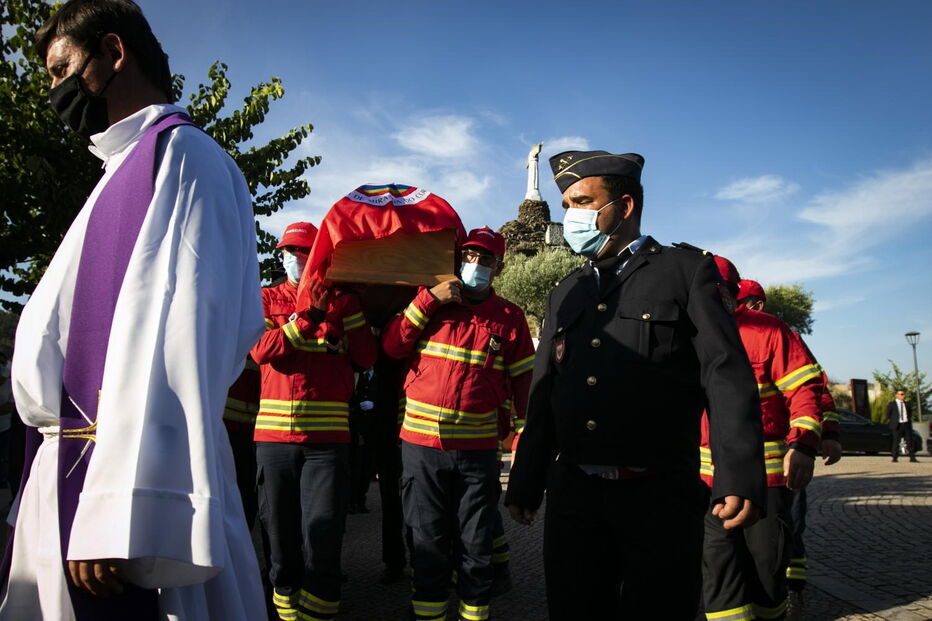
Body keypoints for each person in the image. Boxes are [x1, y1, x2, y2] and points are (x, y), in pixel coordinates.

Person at [2, 1, 267, 618]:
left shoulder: (185, 160)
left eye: (62, 69)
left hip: (121, 505)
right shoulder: (117, 172)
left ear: (114, 53)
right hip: (68, 475)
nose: (54, 90)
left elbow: (178, 339)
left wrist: (118, 507)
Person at [506, 150, 766, 620]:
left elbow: (724, 375)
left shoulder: (685, 273)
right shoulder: (566, 291)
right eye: (565, 205)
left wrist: (739, 473)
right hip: (576, 498)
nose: (571, 217)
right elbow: (545, 389)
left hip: (659, 497)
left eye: (582, 202)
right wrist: (526, 479)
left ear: (624, 207)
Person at [383, 227, 535, 621]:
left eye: (485, 259)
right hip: (421, 449)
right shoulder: (430, 303)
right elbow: (392, 346)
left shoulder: (510, 318)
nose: (475, 265)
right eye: (469, 256)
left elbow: (524, 387)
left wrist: (523, 442)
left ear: (498, 268)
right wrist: (428, 301)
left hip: (477, 452)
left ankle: (475, 613)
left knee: (476, 542)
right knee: (427, 540)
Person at [251, 222, 378, 621]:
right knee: (278, 531)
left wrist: (349, 308)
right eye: (289, 252)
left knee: (323, 532)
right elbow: (259, 350)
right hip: (274, 441)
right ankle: (285, 606)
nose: (295, 260)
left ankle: (321, 610)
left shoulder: (347, 303)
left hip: (327, 442)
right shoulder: (266, 298)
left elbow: (367, 357)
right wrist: (308, 317)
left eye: (304, 253)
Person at [701, 260, 825, 621]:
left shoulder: (768, 331)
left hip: (766, 480)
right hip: (706, 482)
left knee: (766, 571)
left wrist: (803, 444)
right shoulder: (690, 335)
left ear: (729, 291)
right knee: (718, 568)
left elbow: (805, 387)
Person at [736, 279, 843, 619]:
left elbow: (816, 391)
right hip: (742, 465)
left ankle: (793, 589)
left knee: (789, 528)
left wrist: (824, 435)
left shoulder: (782, 338)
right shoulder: (733, 334)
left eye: (758, 302)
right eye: (751, 303)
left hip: (780, 461)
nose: (757, 308)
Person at [887, 390, 918, 462]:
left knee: (909, 441)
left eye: (903, 394)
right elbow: (888, 414)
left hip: (906, 424)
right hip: (897, 425)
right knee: (896, 442)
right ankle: (895, 457)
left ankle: (912, 457)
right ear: (897, 395)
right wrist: (894, 421)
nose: (903, 395)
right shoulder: (892, 404)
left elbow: (909, 413)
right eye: (901, 394)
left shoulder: (907, 404)